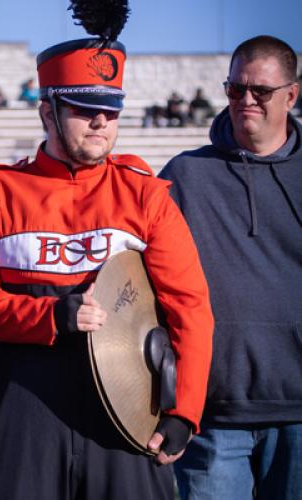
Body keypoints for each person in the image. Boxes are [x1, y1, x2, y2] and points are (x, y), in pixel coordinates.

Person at [0, 2, 213, 499]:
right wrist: (50, 317)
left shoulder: (146, 195)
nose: (100, 122)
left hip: (127, 413)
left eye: (110, 110)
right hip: (25, 410)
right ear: (47, 110)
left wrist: (186, 410)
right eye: (84, 109)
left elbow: (191, 308)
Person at [159, 35, 301, 500]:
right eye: (234, 88)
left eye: (260, 91)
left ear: (291, 95)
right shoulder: (184, 174)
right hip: (213, 416)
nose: (245, 100)